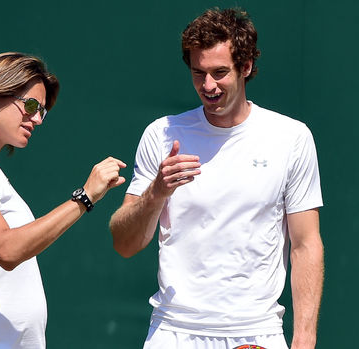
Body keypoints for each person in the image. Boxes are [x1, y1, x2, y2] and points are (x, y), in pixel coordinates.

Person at [109, 8, 324, 349]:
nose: (208, 85)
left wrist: (304, 338)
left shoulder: (291, 138)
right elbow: (125, 243)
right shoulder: (162, 134)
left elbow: (306, 244)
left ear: (247, 68)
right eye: (199, 73)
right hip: (174, 331)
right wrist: (156, 192)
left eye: (220, 73)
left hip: (258, 330)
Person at [0, 52, 126, 348]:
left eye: (42, 111)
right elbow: (6, 249)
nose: (37, 118)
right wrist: (84, 197)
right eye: (29, 105)